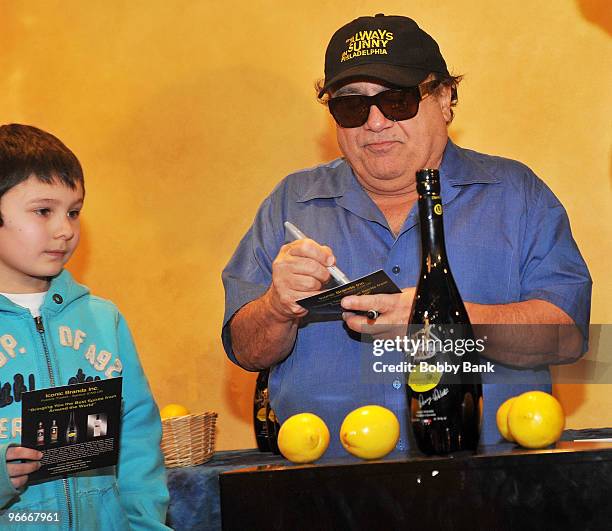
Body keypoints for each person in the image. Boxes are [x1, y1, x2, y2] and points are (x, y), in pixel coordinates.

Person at [222, 15, 591, 454]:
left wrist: (440, 324)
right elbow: (246, 350)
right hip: (326, 487)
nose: (375, 122)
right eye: (351, 106)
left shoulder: (516, 194)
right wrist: (276, 308)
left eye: (398, 101)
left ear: (445, 99)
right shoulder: (291, 202)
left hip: (486, 486)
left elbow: (568, 338)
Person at [0, 124, 170, 528]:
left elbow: (138, 442)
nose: (65, 229)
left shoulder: (103, 319)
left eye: (73, 212)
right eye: (44, 211)